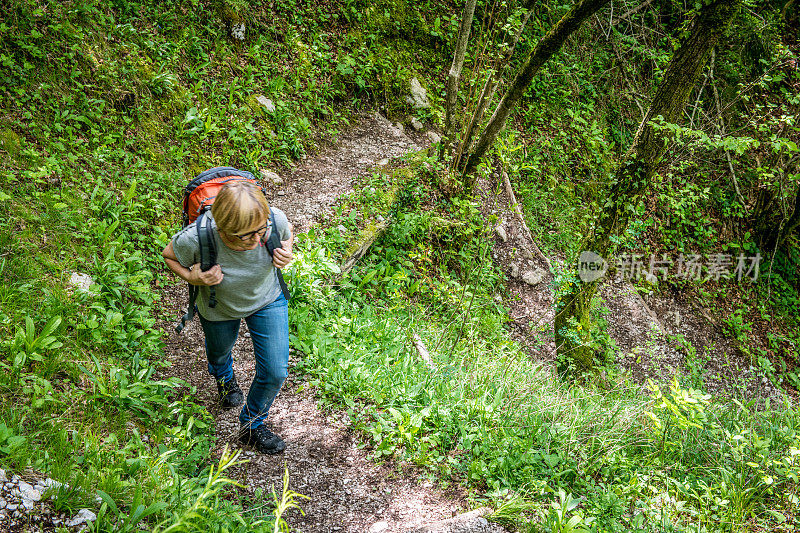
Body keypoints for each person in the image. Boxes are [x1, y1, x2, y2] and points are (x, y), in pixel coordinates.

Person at [162, 180, 294, 455]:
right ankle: (224, 377)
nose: (257, 241)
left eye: (261, 231)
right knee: (220, 351)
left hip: (267, 299)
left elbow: (286, 232)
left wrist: (286, 252)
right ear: (222, 229)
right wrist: (192, 276)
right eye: (244, 237)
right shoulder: (198, 236)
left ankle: (252, 425)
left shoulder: (272, 220)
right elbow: (170, 255)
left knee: (274, 372)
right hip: (218, 307)